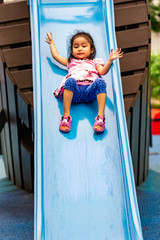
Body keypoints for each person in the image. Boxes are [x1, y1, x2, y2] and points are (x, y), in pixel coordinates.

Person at [45, 31, 123, 133]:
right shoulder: (71, 62)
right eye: (76, 47)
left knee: (100, 81)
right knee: (70, 81)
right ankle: (66, 116)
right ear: (72, 50)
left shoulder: (95, 61)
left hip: (89, 92)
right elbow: (56, 56)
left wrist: (110, 60)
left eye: (84, 46)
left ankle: (100, 117)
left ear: (91, 49)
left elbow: (103, 72)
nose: (80, 49)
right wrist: (51, 43)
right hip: (74, 93)